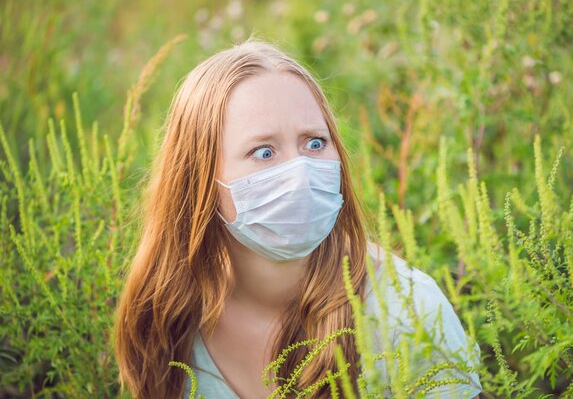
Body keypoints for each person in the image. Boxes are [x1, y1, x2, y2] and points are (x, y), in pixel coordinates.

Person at [113, 38, 482, 399]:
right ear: (200, 180)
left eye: (315, 143)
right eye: (265, 152)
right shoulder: (169, 317)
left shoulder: (408, 314)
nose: (300, 171)